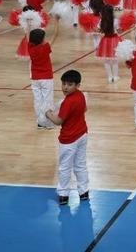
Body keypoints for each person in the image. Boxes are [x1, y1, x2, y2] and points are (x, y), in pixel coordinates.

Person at [45, 69, 89, 206]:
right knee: (80, 165)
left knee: (65, 167)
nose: (65, 87)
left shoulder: (67, 102)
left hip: (69, 139)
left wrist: (48, 114)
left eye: (69, 84)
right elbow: (85, 109)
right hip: (82, 134)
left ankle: (64, 194)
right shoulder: (81, 96)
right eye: (63, 83)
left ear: (77, 85)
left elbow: (58, 121)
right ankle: (84, 192)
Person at [28, 27, 59, 130]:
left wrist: (28, 23)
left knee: (38, 100)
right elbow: (55, 35)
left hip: (35, 78)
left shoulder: (30, 47)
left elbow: (28, 34)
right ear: (41, 39)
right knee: (48, 100)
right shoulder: (45, 47)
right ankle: (48, 123)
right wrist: (57, 23)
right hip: (46, 78)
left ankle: (40, 122)